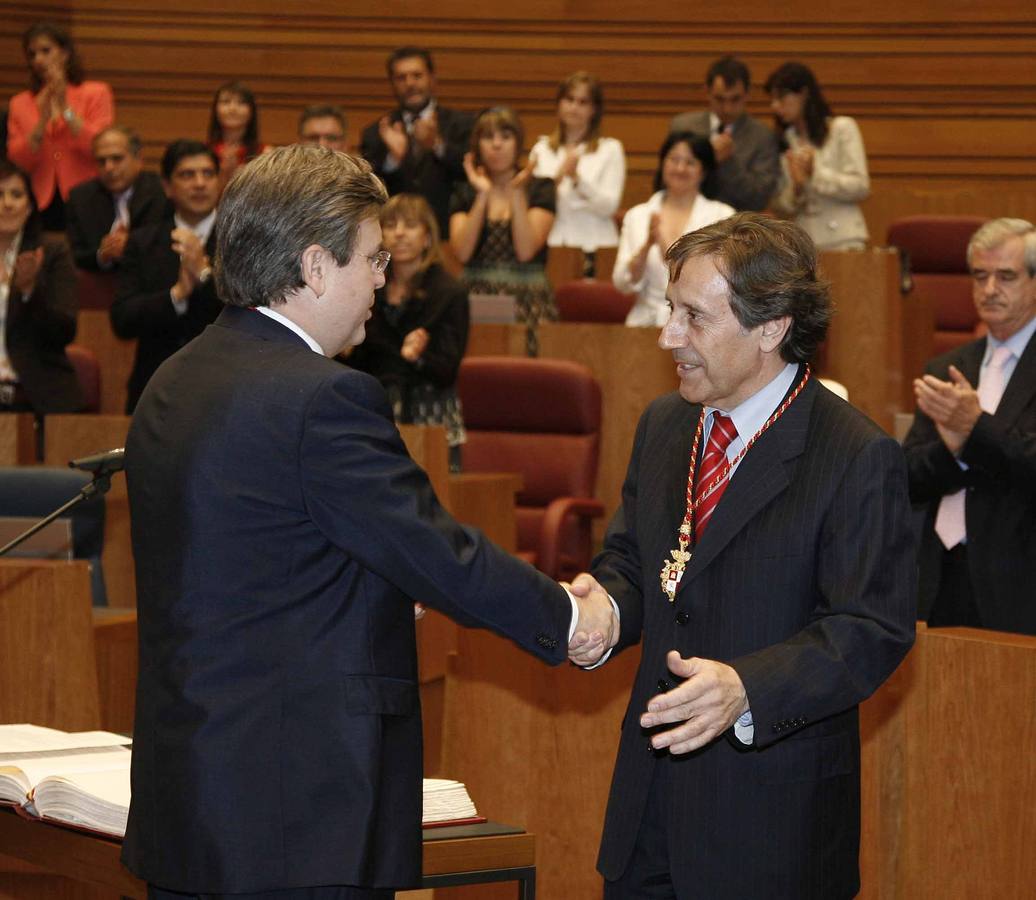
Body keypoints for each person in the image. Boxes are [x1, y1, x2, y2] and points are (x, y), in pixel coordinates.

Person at [120, 143, 617, 899]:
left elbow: (255, 561)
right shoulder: (324, 398)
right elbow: (437, 553)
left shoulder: (172, 379)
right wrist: (567, 617)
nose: (384, 281)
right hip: (300, 812)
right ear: (316, 267)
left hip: (194, 799)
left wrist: (370, 585)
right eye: (373, 259)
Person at [570, 213, 915, 898]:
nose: (669, 336)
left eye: (694, 317)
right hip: (649, 816)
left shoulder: (853, 454)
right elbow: (639, 565)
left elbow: (870, 629)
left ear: (771, 327)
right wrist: (605, 607)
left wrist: (748, 688)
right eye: (672, 310)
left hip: (771, 828)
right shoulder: (665, 424)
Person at [903, 217, 1036, 636]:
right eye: (980, 276)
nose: (989, 289)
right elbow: (907, 475)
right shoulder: (947, 368)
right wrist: (953, 449)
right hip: (939, 573)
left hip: (1019, 577)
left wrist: (975, 429)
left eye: (1006, 277)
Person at [347, 193, 469, 470]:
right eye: (391, 225)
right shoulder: (370, 285)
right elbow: (363, 362)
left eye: (410, 225)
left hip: (430, 413)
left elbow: (448, 369)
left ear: (428, 237)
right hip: (376, 411)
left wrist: (419, 357)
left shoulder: (449, 291)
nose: (399, 233)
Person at [110, 139, 222, 413]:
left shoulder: (241, 239)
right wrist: (177, 295)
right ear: (167, 186)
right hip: (155, 388)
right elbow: (122, 320)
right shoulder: (142, 242)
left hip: (224, 388)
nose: (199, 183)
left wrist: (205, 275)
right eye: (187, 174)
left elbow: (252, 311)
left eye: (208, 174)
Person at [449, 106, 555, 355]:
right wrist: (482, 195)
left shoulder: (540, 188)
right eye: (488, 137)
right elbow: (462, 253)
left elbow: (525, 250)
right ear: (477, 145)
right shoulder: (465, 191)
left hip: (528, 297)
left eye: (505, 137)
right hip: (473, 295)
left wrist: (517, 193)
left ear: (518, 143)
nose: (497, 145)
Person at [613, 132, 734, 327]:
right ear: (662, 164)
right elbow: (622, 283)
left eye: (690, 162)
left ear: (704, 171)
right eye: (674, 160)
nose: (680, 168)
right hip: (644, 324)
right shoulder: (638, 215)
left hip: (700, 326)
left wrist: (663, 243)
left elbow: (725, 281)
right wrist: (646, 247)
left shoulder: (722, 216)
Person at [6, 21, 115, 231]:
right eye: (32, 54)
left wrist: (65, 109)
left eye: (46, 51)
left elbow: (100, 147)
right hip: (39, 197)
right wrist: (40, 123)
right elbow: (17, 160)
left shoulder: (96, 93)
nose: (38, 59)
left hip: (87, 194)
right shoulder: (20, 103)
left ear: (65, 53)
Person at [360, 46, 473, 236]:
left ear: (432, 78)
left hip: (448, 234)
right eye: (401, 78)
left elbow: (472, 172)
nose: (410, 83)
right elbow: (368, 190)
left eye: (417, 75)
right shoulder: (376, 132)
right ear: (392, 84)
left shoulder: (462, 124)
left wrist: (437, 146)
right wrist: (393, 160)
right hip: (395, 236)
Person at [0, 159, 82, 414]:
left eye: (16, 194)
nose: (7, 203)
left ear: (29, 207)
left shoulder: (51, 251)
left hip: (36, 394)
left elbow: (64, 331)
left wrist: (29, 292)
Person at [765, 62, 870, 251]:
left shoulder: (841, 129)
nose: (775, 106)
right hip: (804, 244)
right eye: (772, 100)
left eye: (781, 97)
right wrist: (797, 189)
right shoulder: (784, 141)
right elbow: (781, 206)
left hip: (843, 240)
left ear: (804, 93)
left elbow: (860, 186)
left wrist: (815, 173)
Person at [531, 71, 626, 270]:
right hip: (552, 244)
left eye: (583, 102)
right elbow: (535, 202)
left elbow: (609, 205)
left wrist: (577, 180)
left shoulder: (609, 150)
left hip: (596, 247)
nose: (574, 107)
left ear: (594, 110)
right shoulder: (542, 149)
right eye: (569, 99)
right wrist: (557, 179)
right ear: (559, 104)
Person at [669, 56, 779, 212]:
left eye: (735, 99)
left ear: (748, 94)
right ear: (707, 92)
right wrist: (708, 160)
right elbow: (666, 184)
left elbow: (758, 199)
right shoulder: (683, 127)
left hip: (738, 227)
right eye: (719, 99)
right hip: (686, 220)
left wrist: (729, 162)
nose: (727, 108)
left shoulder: (762, 137)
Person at [65, 125, 167, 271]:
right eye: (101, 161)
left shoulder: (160, 192)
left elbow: (164, 246)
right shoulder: (80, 198)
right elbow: (76, 255)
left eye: (117, 159)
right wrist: (102, 255)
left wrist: (131, 245)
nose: (109, 168)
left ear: (138, 159)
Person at [206, 80, 269, 191]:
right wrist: (223, 175)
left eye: (241, 103)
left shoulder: (265, 154)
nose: (233, 109)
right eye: (226, 102)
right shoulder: (204, 152)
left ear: (251, 111)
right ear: (215, 109)